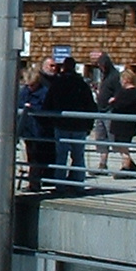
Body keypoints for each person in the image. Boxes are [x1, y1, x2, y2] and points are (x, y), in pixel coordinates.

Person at [49, 57, 97, 188]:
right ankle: (78, 184)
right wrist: (89, 124)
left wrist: (50, 120)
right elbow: (91, 105)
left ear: (64, 67)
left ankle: (60, 184)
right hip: (79, 125)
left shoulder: (58, 83)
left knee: (61, 156)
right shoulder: (81, 84)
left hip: (61, 123)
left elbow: (49, 103)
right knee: (78, 156)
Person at [18, 64, 55, 193]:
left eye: (32, 85)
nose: (30, 88)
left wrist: (32, 107)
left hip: (40, 130)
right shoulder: (25, 91)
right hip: (28, 129)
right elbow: (20, 103)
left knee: (37, 158)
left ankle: (35, 183)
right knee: (31, 156)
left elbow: (45, 107)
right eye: (28, 85)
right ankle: (33, 182)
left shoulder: (44, 92)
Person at [107, 68, 136, 175]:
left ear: (126, 79)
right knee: (122, 146)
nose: (120, 81)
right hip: (124, 124)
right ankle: (130, 165)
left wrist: (113, 102)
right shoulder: (131, 93)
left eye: (122, 79)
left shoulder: (129, 93)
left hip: (124, 125)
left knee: (123, 147)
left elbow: (120, 105)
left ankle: (126, 167)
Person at [90, 51, 119, 170]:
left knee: (113, 137)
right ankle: (102, 163)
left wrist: (114, 98)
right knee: (101, 137)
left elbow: (119, 91)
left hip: (110, 110)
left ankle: (126, 162)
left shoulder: (114, 75)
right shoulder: (103, 76)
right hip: (100, 109)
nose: (100, 67)